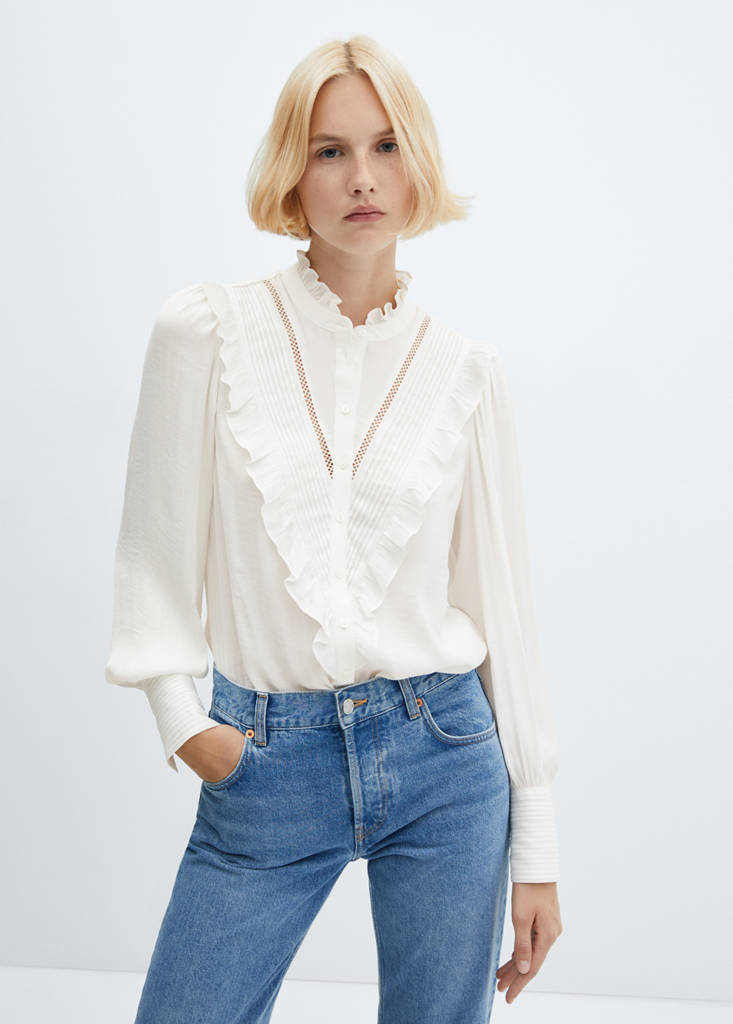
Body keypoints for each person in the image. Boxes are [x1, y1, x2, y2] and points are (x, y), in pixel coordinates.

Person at [105, 34, 563, 1024]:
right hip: (263, 760)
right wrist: (185, 724)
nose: (363, 177)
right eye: (330, 150)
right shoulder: (206, 331)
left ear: (417, 165)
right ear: (291, 172)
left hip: (445, 754)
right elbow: (153, 551)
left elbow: (503, 609)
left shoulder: (467, 372)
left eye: (386, 146)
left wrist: (537, 847)